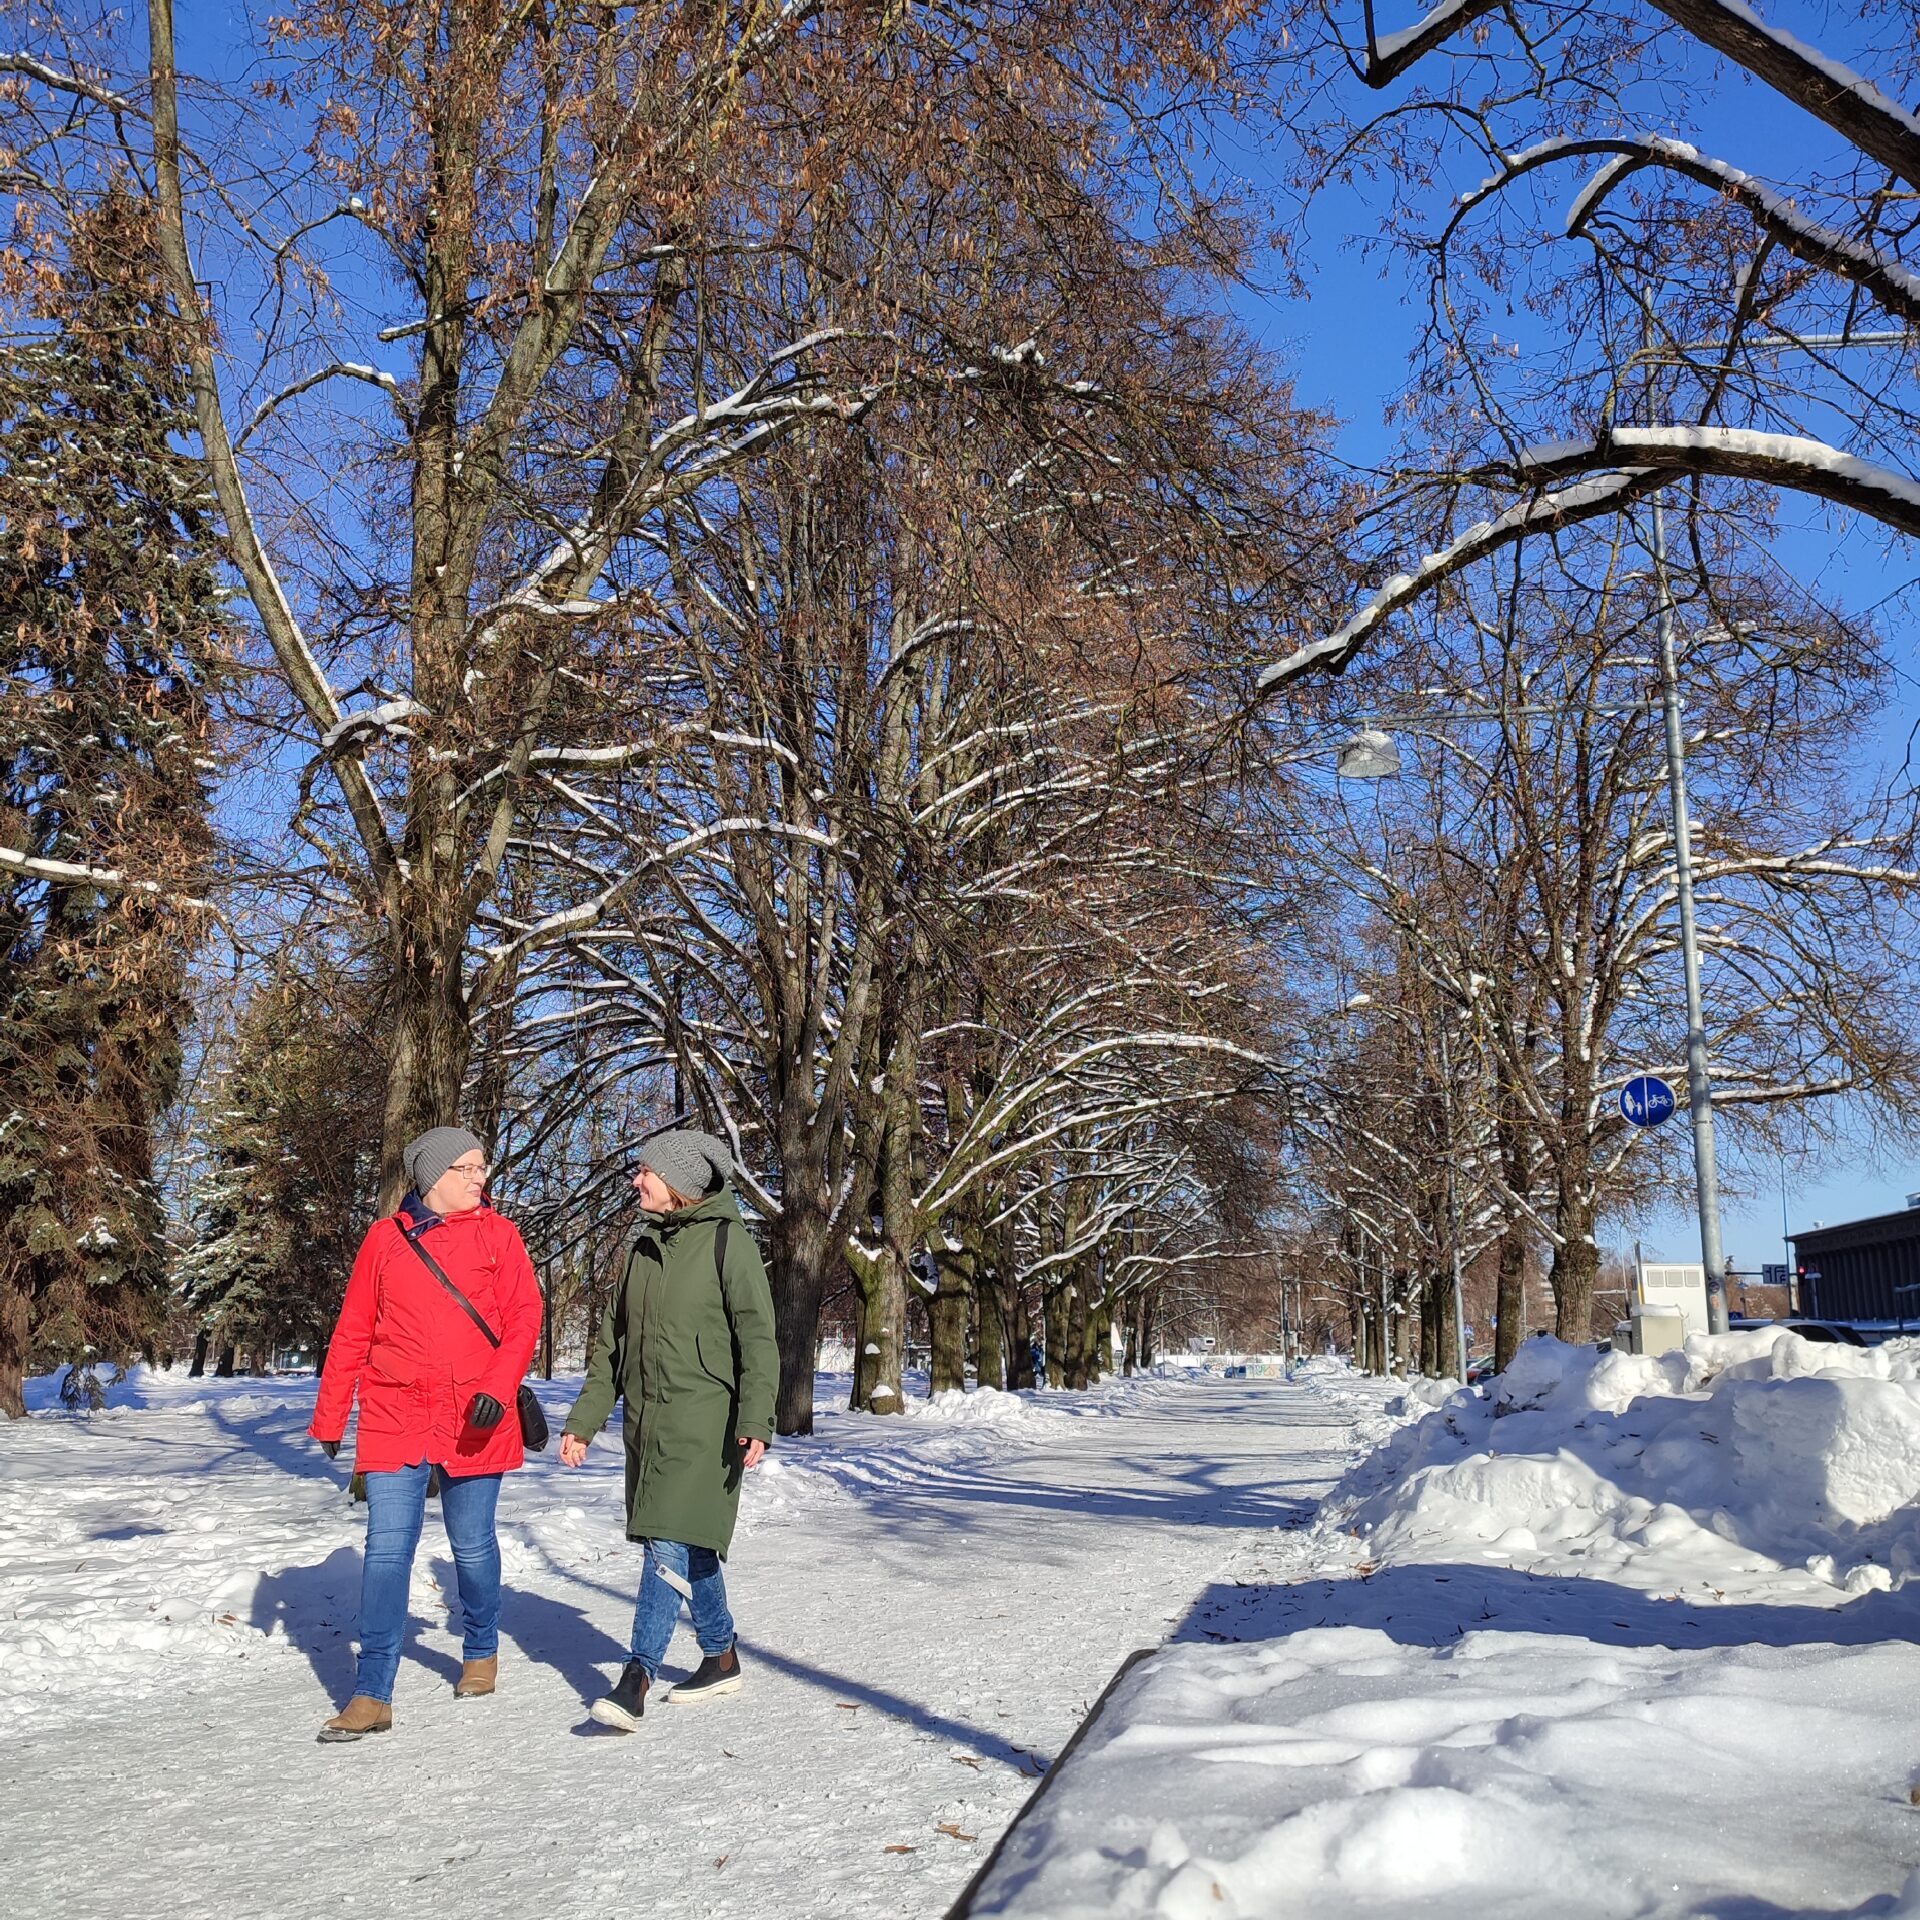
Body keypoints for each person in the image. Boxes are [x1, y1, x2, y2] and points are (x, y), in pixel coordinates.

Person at [307, 1126, 541, 1743]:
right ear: (433, 1175)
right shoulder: (385, 1241)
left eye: (482, 1168)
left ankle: (481, 1646)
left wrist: (496, 1384)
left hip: (475, 1414)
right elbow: (354, 1328)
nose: (479, 1178)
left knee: (471, 1544)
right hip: (395, 1410)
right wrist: (331, 1414)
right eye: (468, 1168)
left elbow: (523, 1318)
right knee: (387, 1549)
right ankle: (372, 1691)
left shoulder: (500, 1236)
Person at [560, 1127, 777, 1730]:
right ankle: (721, 1653)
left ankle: (637, 1676)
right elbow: (611, 1347)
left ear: (678, 1185)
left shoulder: (729, 1243)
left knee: (664, 1543)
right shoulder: (642, 1250)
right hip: (648, 1425)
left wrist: (757, 1417)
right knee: (687, 1542)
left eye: (645, 1172)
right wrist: (584, 1422)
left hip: (709, 1426)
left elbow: (759, 1339)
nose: (636, 1179)